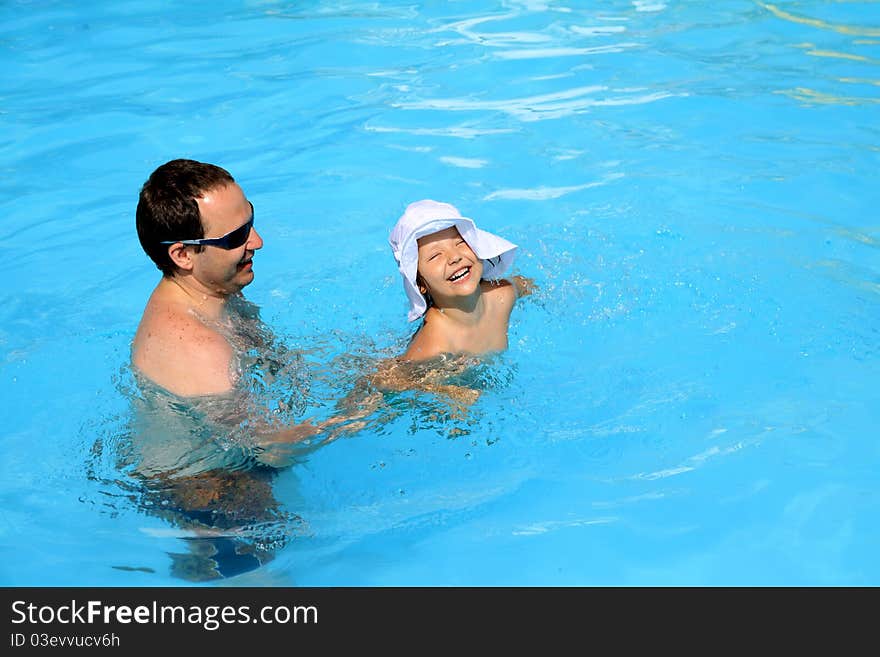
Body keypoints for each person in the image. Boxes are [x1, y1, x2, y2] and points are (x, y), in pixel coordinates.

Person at [127, 158, 344, 580]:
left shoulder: (218, 297)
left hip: (228, 481)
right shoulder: (197, 346)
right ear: (184, 254)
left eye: (252, 222)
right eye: (237, 236)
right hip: (213, 509)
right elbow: (274, 448)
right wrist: (368, 407)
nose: (258, 241)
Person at [388, 199, 533, 362]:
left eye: (460, 243)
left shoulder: (503, 295)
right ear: (420, 283)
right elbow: (394, 381)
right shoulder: (434, 347)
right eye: (435, 255)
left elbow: (529, 286)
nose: (455, 257)